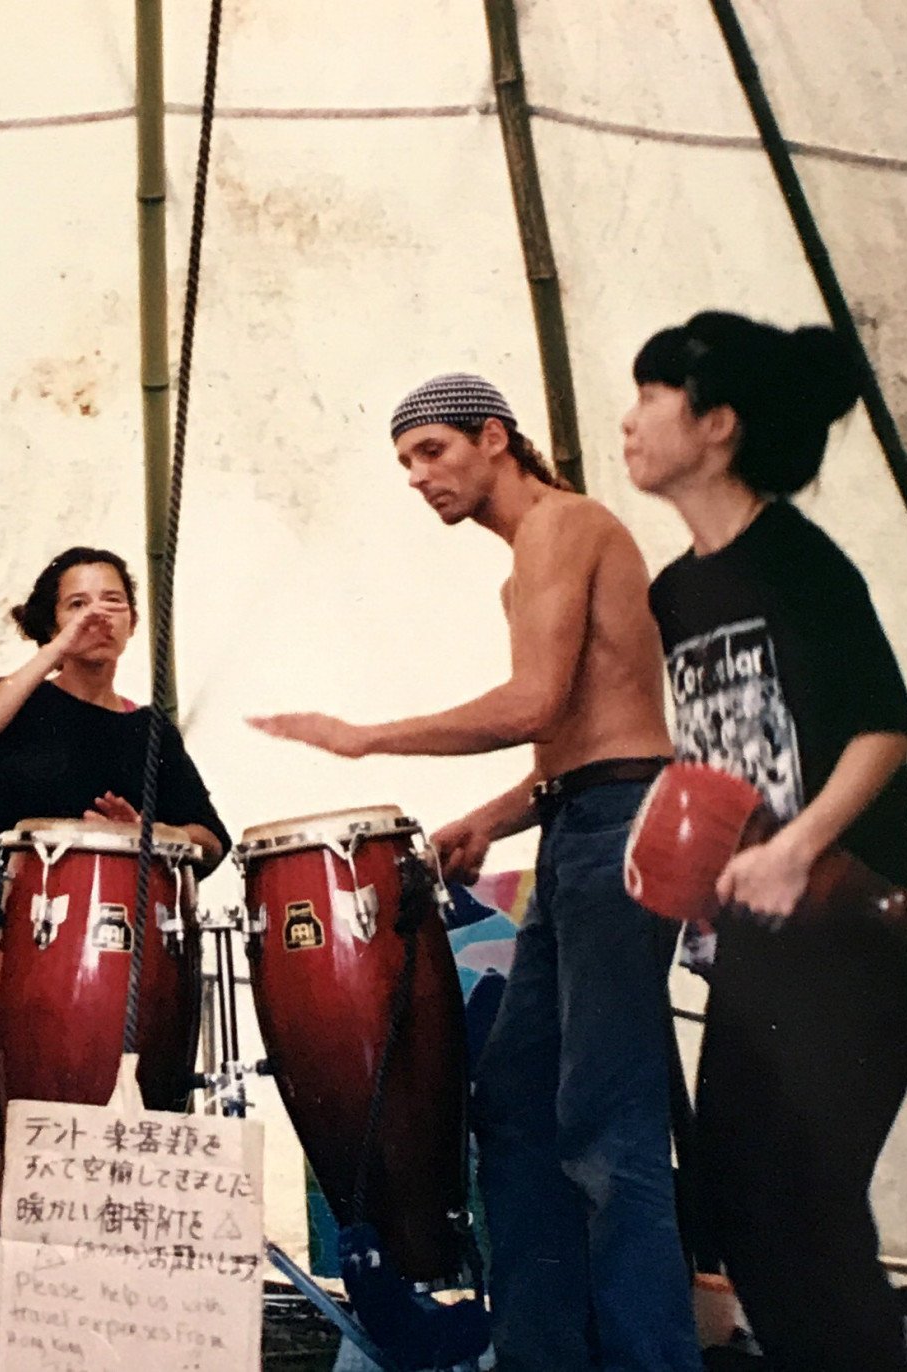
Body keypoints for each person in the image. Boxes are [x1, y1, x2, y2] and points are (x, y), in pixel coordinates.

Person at [250, 374, 702, 1371]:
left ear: (493, 437)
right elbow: (577, 737)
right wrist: (491, 819)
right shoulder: (524, 565)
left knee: (605, 1123)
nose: (418, 478)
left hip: (621, 827)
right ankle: (542, 1351)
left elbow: (535, 702)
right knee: (510, 1099)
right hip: (584, 818)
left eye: (432, 452)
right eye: (405, 462)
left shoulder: (561, 524)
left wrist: (367, 739)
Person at [622, 312, 907, 1372]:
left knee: (803, 1212)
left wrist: (794, 844)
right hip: (763, 949)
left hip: (857, 927)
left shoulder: (798, 560)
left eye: (648, 398)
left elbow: (882, 727)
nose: (627, 422)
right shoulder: (675, 593)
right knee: (742, 1204)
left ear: (715, 424)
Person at [0, 546, 229, 880]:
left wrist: (150, 834)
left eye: (112, 601)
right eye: (77, 605)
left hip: (127, 917)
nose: (96, 616)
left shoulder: (149, 728)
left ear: (133, 622)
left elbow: (211, 841)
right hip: (18, 916)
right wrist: (56, 650)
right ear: (53, 625)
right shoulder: (16, 701)